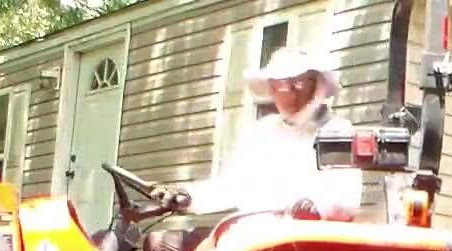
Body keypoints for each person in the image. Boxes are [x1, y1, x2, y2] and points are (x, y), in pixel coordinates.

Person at [152, 46, 363, 221]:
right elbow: (231, 186)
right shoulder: (261, 132)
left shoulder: (336, 131)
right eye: (279, 84)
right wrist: (187, 197)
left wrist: (315, 207)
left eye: (297, 82)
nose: (286, 91)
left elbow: (344, 198)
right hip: (248, 236)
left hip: (302, 245)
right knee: (161, 246)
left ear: (317, 85)